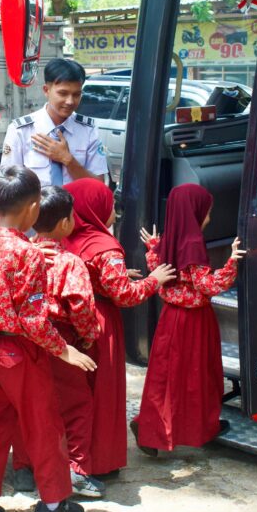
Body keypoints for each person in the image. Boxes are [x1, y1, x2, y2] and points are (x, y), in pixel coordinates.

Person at [0, 166, 95, 512]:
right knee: (43, 425)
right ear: (33, 208)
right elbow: (33, 319)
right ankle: (52, 505)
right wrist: (64, 349)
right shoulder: (27, 254)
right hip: (17, 351)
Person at [61, 179, 175, 477]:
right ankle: (98, 462)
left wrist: (120, 274)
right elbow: (123, 295)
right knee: (102, 393)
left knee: (75, 394)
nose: (115, 211)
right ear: (95, 207)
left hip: (71, 320)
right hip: (100, 321)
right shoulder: (105, 246)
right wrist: (154, 280)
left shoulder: (66, 237)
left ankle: (70, 458)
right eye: (110, 204)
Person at [133, 184, 243, 454]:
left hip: (170, 319)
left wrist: (153, 246)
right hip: (194, 322)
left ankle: (150, 428)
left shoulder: (170, 239)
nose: (209, 217)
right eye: (207, 212)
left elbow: (157, 266)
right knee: (198, 377)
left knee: (165, 377)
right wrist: (232, 261)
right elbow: (209, 285)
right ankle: (201, 427)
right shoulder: (193, 245)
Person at [11, 186, 103, 499]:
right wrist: (89, 338)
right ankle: (75, 470)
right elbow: (80, 306)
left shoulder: (19, 251)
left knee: (29, 405)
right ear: (65, 223)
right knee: (76, 405)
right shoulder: (69, 262)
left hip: (24, 337)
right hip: (63, 341)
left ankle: (24, 468)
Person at [0, 58, 107, 187]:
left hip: (76, 206)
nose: (70, 101)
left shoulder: (88, 131)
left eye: (76, 94)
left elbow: (98, 187)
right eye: (63, 93)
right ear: (46, 90)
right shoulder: (21, 131)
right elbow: (8, 184)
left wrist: (67, 159)